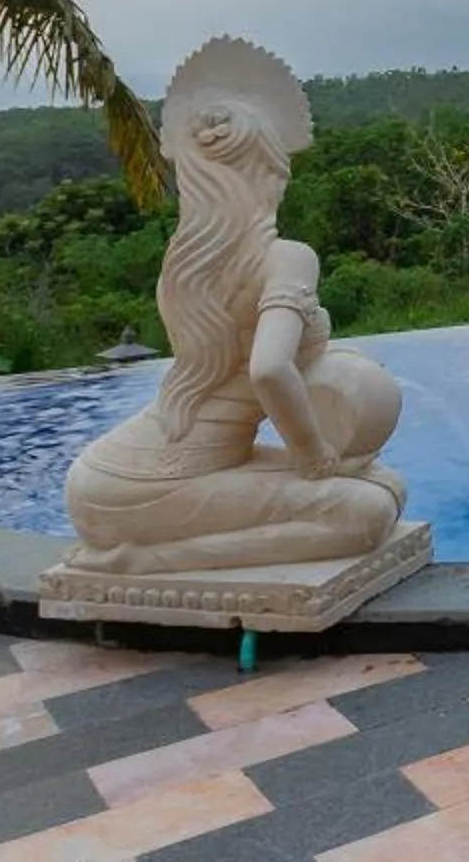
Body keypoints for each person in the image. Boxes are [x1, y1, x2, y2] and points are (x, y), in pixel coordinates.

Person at [63, 38, 407, 574]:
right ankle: (144, 561)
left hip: (103, 477)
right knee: (367, 513)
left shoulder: (193, 264)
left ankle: (136, 549)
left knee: (383, 484)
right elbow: (268, 370)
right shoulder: (287, 257)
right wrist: (313, 453)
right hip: (163, 485)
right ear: (266, 170)